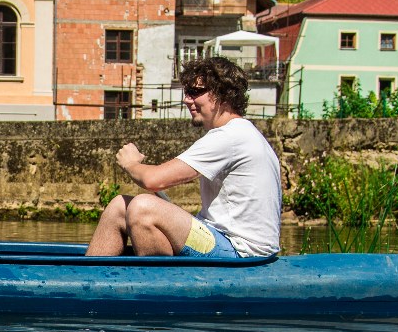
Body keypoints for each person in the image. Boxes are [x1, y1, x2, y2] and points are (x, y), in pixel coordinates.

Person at [84, 56, 281, 258]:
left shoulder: (231, 136)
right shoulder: (240, 133)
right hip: (221, 237)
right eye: (186, 92)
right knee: (119, 206)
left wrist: (131, 163)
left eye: (195, 92)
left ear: (223, 95)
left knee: (142, 209)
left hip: (241, 251)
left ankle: (158, 286)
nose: (187, 99)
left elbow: (154, 180)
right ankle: (87, 282)